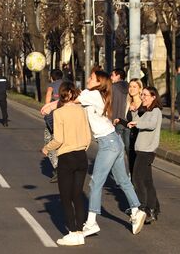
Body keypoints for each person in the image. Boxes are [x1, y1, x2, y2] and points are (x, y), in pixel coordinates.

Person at [41, 70, 146, 237]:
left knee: (95, 183)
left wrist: (50, 105)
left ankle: (91, 223)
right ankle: (136, 210)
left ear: (98, 82)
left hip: (107, 144)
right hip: (114, 140)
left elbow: (70, 100)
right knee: (123, 180)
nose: (88, 79)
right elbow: (74, 102)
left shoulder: (92, 93)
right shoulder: (97, 94)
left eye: (91, 78)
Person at [42, 81, 91, 246]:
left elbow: (59, 139)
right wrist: (82, 147)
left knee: (65, 196)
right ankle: (80, 231)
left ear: (62, 95)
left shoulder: (59, 113)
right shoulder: (82, 111)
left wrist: (46, 148)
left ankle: (71, 232)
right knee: (77, 195)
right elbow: (88, 136)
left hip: (67, 157)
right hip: (82, 156)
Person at [127, 86, 162, 224]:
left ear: (154, 97)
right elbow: (137, 123)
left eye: (146, 95)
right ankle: (152, 210)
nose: (143, 97)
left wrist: (137, 122)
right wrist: (134, 114)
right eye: (142, 95)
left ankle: (142, 208)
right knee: (147, 182)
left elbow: (151, 124)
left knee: (137, 178)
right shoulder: (146, 110)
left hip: (147, 151)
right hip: (141, 150)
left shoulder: (156, 111)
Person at [45, 69, 64, 183]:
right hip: (67, 118)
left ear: (52, 77)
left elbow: (47, 101)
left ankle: (57, 167)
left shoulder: (51, 86)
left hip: (54, 118)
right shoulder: (68, 84)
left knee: (49, 141)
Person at [126, 78, 145, 175]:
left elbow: (145, 120)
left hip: (141, 139)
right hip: (131, 139)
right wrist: (119, 121)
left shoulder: (144, 104)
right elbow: (128, 123)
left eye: (134, 87)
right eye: (130, 86)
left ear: (140, 89)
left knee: (139, 168)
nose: (131, 89)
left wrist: (137, 110)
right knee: (131, 165)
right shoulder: (128, 103)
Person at [111, 69, 130, 152]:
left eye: (112, 75)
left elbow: (112, 104)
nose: (111, 77)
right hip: (128, 119)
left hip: (117, 120)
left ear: (118, 76)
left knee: (117, 148)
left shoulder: (113, 87)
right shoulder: (130, 86)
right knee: (129, 147)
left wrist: (112, 120)